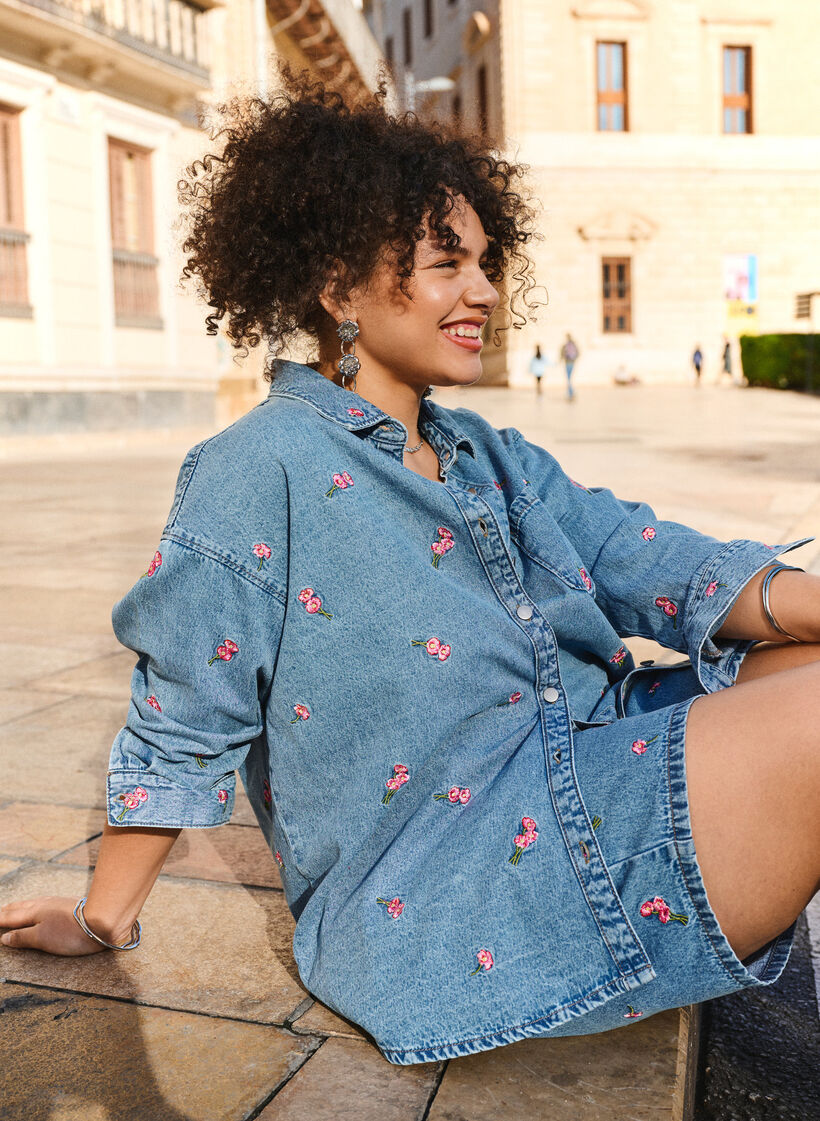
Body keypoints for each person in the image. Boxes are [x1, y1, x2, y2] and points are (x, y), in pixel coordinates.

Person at [2, 75, 819, 1068]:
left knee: (793, 653)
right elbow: (184, 716)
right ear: (339, 284)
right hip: (452, 877)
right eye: (444, 264)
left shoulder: (484, 449)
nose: (481, 290)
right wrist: (100, 918)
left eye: (484, 263)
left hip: (583, 758)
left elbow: (645, 556)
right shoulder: (257, 467)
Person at [560, 332, 579, 400]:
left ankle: (571, 393)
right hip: (572, 363)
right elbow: (578, 353)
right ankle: (571, 393)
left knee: (568, 379)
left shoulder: (565, 345)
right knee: (569, 379)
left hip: (567, 363)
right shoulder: (574, 345)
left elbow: (561, 354)